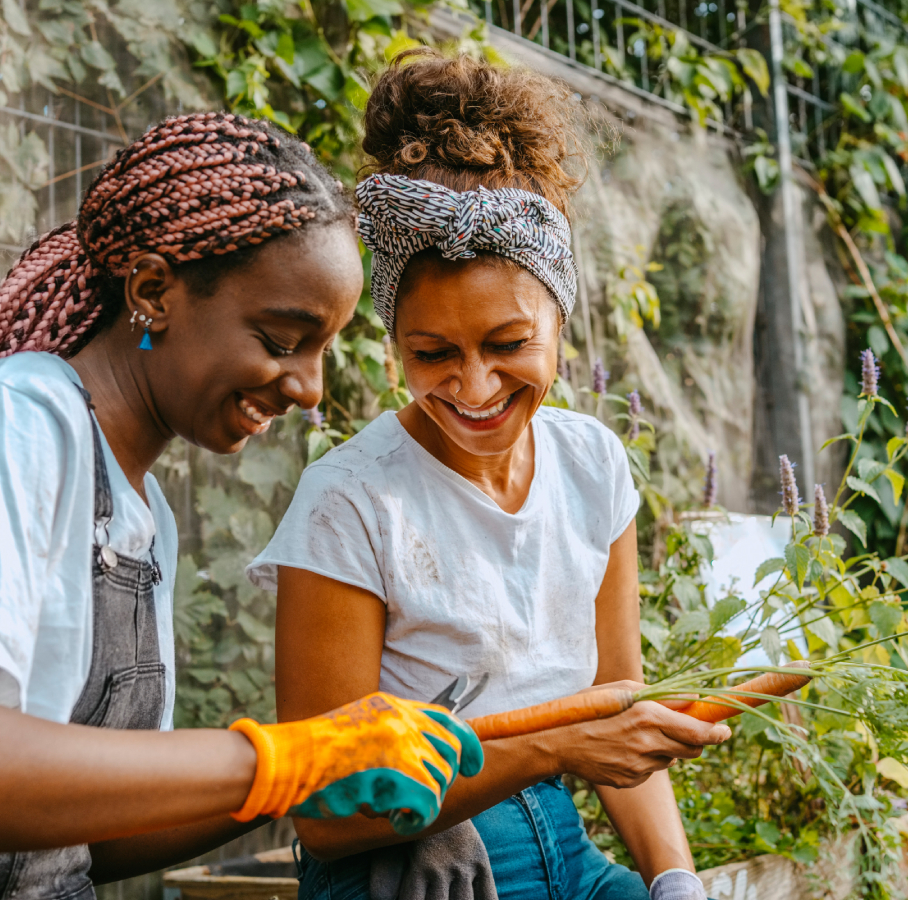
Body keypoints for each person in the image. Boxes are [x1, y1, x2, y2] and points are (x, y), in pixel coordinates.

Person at [0, 112, 482, 900]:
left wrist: (305, 777)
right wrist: (281, 756)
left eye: (322, 348)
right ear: (154, 291)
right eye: (279, 338)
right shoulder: (22, 418)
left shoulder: (141, 511)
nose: (309, 388)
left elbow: (94, 834)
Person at [253, 52, 726, 900]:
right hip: (413, 867)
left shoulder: (592, 467)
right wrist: (547, 752)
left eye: (509, 344)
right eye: (432, 354)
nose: (473, 388)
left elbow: (616, 703)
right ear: (395, 342)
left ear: (560, 318)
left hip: (567, 851)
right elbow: (323, 811)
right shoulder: (351, 503)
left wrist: (675, 881)